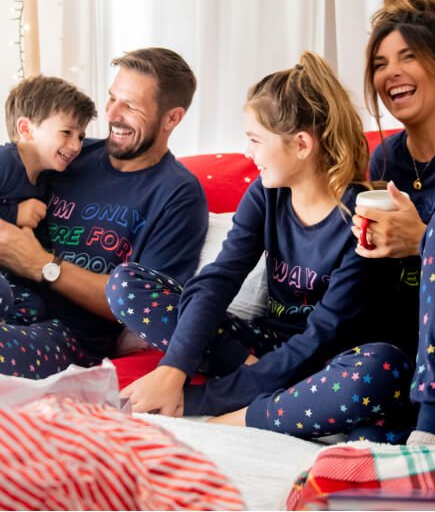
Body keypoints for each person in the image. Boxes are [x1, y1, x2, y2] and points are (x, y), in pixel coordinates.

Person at [108, 51, 413, 442]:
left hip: (328, 361)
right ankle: (282, 396)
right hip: (262, 346)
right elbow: (217, 280)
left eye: (255, 140)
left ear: (302, 144)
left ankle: (252, 412)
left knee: (381, 370)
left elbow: (322, 335)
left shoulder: (361, 219)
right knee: (125, 284)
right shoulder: (266, 195)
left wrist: (199, 399)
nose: (249, 152)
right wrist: (174, 367)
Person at [0, 48, 208, 378]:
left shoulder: (178, 195)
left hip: (68, 337)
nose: (112, 113)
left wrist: (41, 265)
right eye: (112, 98)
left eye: (131, 106)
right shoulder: (68, 155)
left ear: (172, 118)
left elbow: (145, 307)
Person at [352, 0, 435, 445]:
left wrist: (423, 239)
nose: (390, 73)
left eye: (409, 57)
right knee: (364, 436)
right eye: (381, 63)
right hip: (407, 354)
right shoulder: (383, 160)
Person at [0, 74, 96, 321]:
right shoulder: (6, 162)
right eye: (66, 132)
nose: (76, 146)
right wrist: (14, 213)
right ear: (26, 129)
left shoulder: (44, 180)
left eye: (81, 136)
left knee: (35, 307)